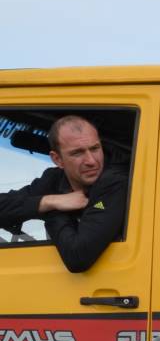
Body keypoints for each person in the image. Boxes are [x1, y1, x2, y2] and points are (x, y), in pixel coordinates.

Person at [0, 115, 128, 272]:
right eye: (77, 153)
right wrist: (48, 201)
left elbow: (78, 257)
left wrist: (53, 211)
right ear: (57, 160)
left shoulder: (114, 181)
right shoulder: (53, 179)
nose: (91, 161)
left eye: (95, 149)